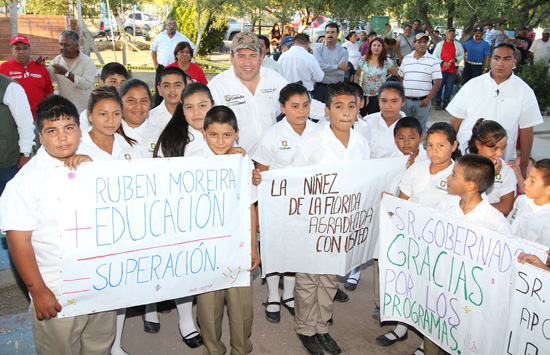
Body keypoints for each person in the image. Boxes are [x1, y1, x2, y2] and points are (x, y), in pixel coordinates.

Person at [0, 95, 116, 354]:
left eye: (69, 128)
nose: (63, 137)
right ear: (40, 137)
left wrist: (96, 172)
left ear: (80, 130)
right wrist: (38, 290)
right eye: (52, 131)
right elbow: (18, 240)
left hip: (101, 284)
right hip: (57, 291)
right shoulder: (26, 182)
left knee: (99, 347)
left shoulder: (101, 165)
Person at [291, 83, 369, 355]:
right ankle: (305, 328)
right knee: (309, 279)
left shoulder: (361, 143)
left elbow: (364, 181)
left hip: (342, 224)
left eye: (351, 106)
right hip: (314, 224)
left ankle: (321, 326)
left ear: (359, 108)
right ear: (327, 111)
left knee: (329, 279)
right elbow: (294, 181)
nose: (345, 112)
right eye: (338, 107)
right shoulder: (313, 142)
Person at [377, 122, 460, 351]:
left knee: (431, 291)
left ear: (454, 146)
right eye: (430, 145)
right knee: (407, 284)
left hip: (438, 244)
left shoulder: (458, 175)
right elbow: (403, 199)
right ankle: (401, 328)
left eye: (441, 145)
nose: (434, 150)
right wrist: (390, 204)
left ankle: (427, 342)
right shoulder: (417, 168)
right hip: (410, 238)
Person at [77, 87, 142, 355]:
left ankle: (114, 345)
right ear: (89, 115)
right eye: (102, 114)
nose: (110, 120)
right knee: (94, 288)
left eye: (116, 113)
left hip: (124, 228)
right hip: (93, 232)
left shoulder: (129, 146)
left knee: (120, 287)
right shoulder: (78, 149)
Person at [251, 82, 320, 323]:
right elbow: (260, 175)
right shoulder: (272, 135)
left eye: (305, 105)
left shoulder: (319, 132)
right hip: (276, 206)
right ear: (282, 107)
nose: (301, 111)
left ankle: (289, 295)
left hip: (307, 206)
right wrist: (258, 211)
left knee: (295, 249)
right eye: (294, 106)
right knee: (273, 249)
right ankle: (272, 295)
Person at [193, 105, 260, 355]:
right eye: (213, 135)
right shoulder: (193, 164)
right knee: (208, 309)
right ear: (204, 133)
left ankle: (241, 348)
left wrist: (253, 248)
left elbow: (251, 207)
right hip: (206, 249)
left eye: (227, 135)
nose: (220, 141)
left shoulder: (243, 162)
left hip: (237, 247)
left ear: (236, 134)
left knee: (241, 306)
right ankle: (213, 349)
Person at [208, 32, 324, 153]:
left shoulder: (273, 79)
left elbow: (299, 100)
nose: (247, 62)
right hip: (237, 160)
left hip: (271, 160)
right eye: (241, 56)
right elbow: (201, 124)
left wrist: (331, 112)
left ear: (261, 57)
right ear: (232, 58)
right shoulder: (217, 86)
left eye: (253, 56)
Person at [447, 42, 543, 178]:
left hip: (501, 162)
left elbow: (527, 130)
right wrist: (448, 154)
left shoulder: (524, 91)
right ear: (491, 60)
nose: (500, 63)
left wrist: (523, 165)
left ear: (514, 62)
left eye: (507, 59)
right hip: (466, 157)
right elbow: (454, 122)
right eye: (496, 58)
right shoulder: (473, 85)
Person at [466, 119, 517, 215]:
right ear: (478, 144)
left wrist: (473, 209)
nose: (499, 153)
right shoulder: (464, 166)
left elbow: (506, 207)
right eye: (494, 149)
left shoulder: (507, 170)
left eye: (503, 147)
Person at [154, 82, 214, 158]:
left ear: (213, 105)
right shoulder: (170, 140)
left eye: (202, 106)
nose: (196, 113)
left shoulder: (224, 135)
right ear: (183, 110)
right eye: (189, 107)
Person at [0, 34, 53, 119]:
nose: (22, 52)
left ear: (30, 50)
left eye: (25, 48)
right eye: (17, 48)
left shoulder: (41, 68)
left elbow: (49, 93)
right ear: (12, 51)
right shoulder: (3, 68)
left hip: (38, 119)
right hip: (12, 120)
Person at [399, 33, 442, 133]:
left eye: (424, 42)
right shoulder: (406, 59)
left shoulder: (433, 60)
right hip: (406, 101)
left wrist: (428, 99)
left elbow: (438, 80)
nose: (422, 44)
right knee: (405, 127)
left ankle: (419, 148)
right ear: (414, 44)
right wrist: (402, 96)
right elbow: (400, 76)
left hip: (422, 102)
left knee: (420, 128)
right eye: (419, 42)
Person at [0, 73, 34, 196]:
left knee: (8, 206)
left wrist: (25, 153)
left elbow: (25, 124)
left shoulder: (9, 87)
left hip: (6, 163)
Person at [48, 30, 96, 113]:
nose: (63, 48)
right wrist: (39, 66)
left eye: (67, 45)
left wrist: (66, 73)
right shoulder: (57, 60)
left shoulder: (88, 62)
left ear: (77, 45)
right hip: (65, 110)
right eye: (61, 44)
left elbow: (86, 84)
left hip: (83, 110)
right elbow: (48, 78)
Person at [508, 159, 550, 245]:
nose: (526, 182)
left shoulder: (547, 221)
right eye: (528, 177)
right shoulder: (521, 200)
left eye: (532, 181)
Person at [118, 79, 163, 159]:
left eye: (144, 101)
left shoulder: (159, 134)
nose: (138, 106)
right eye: (132, 100)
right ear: (120, 103)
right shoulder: (111, 133)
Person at [79, 62, 129, 133]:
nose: (119, 86)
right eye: (113, 81)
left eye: (123, 82)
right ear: (101, 82)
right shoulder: (87, 115)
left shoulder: (130, 112)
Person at [356, 37, 398, 116]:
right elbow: (357, 74)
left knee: (374, 119)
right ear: (370, 47)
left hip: (378, 96)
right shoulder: (363, 59)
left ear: (382, 48)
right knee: (361, 119)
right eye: (374, 45)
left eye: (379, 46)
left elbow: (395, 76)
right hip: (362, 95)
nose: (376, 47)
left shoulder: (387, 61)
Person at [312, 22, 349, 103]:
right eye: (328, 32)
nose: (330, 35)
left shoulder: (343, 51)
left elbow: (341, 73)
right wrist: (338, 66)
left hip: (337, 89)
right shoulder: (317, 50)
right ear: (325, 34)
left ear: (337, 34)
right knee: (318, 114)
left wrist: (325, 69)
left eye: (332, 32)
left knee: (336, 114)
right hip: (320, 88)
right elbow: (319, 67)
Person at [433, 28, 464, 110]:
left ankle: (446, 102)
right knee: (439, 86)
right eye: (449, 33)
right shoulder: (440, 44)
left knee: (449, 87)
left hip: (452, 70)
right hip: (441, 69)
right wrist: (443, 62)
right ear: (446, 35)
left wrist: (456, 60)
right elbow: (435, 55)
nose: (451, 34)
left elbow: (461, 55)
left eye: (452, 33)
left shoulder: (457, 45)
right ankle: (438, 102)